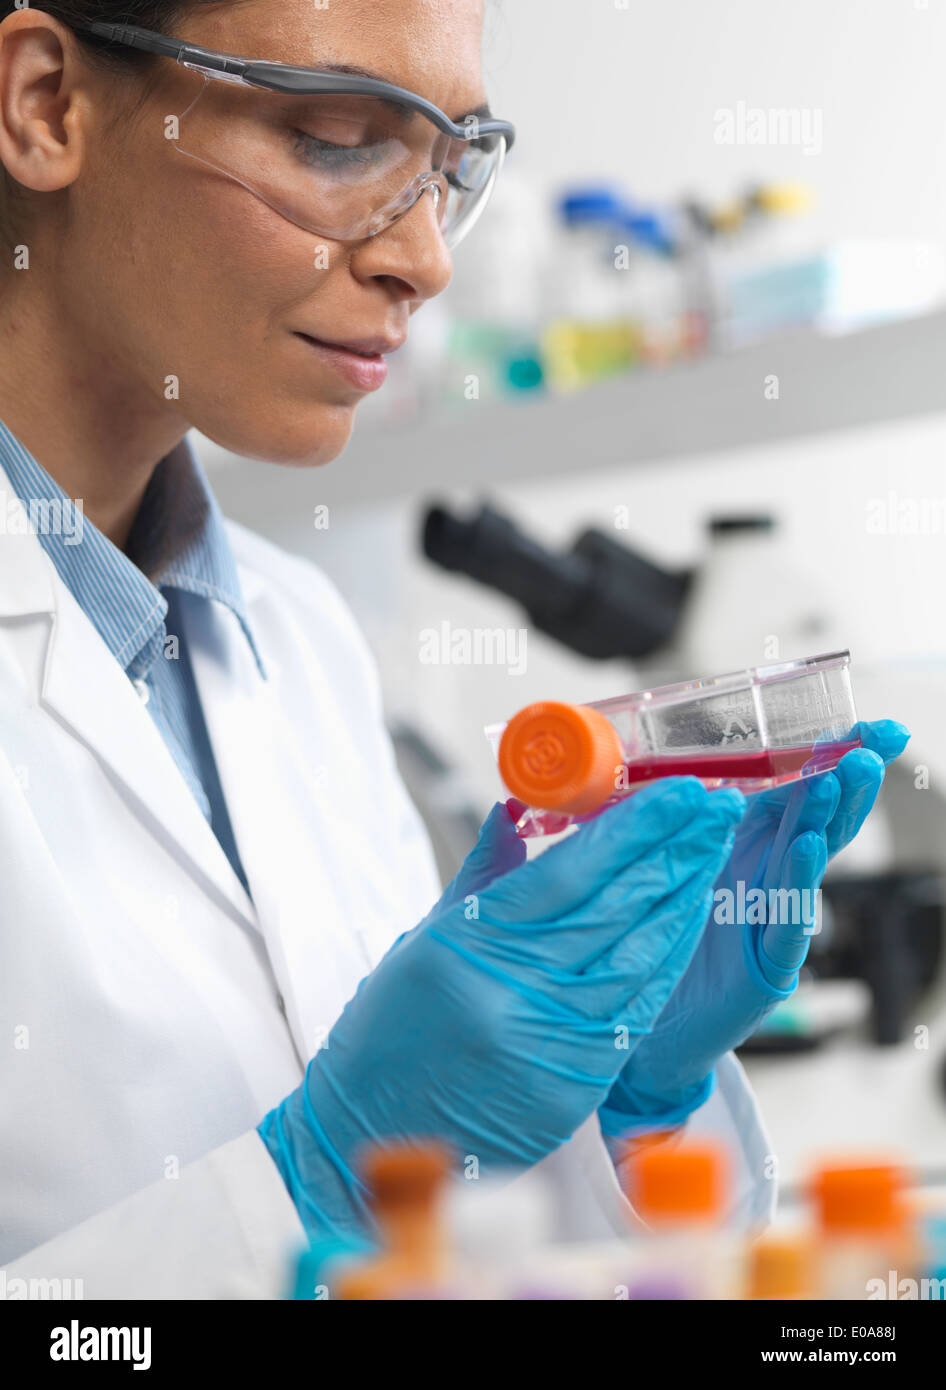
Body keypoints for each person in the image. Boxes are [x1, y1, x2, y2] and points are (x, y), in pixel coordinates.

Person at [0, 0, 906, 1298]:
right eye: (334, 139)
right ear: (46, 104)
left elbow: (437, 1239)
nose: (423, 258)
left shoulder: (298, 633)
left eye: (448, 167)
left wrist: (619, 1092)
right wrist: (316, 1177)